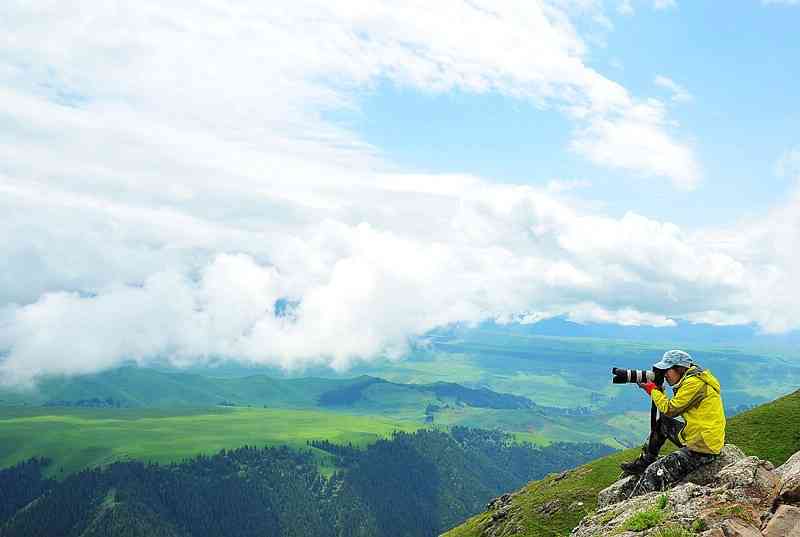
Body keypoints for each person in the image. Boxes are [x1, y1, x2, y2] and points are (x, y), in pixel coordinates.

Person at [619, 350, 726, 496]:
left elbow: (670, 409)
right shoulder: (692, 379)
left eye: (667, 370)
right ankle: (645, 461)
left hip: (702, 447)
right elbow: (670, 411)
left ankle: (632, 506)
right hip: (698, 437)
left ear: (680, 368)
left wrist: (653, 391)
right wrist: (657, 392)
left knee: (654, 472)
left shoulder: (694, 383)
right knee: (663, 423)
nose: (664, 374)